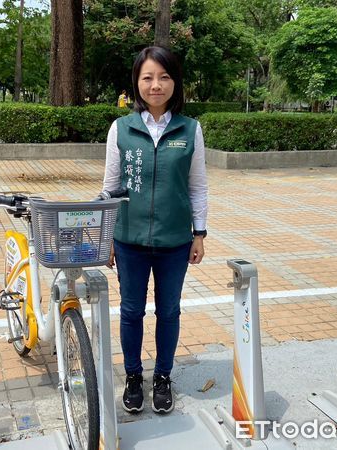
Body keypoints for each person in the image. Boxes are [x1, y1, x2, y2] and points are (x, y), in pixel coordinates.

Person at [102, 46, 208, 415]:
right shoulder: (122, 129)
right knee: (131, 311)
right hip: (128, 241)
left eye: (163, 77)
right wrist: (107, 238)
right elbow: (110, 186)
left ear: (174, 82)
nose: (155, 85)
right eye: (147, 77)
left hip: (174, 241)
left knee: (169, 311)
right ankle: (134, 376)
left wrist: (200, 233)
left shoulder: (190, 130)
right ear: (137, 83)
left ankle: (162, 377)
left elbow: (197, 186)